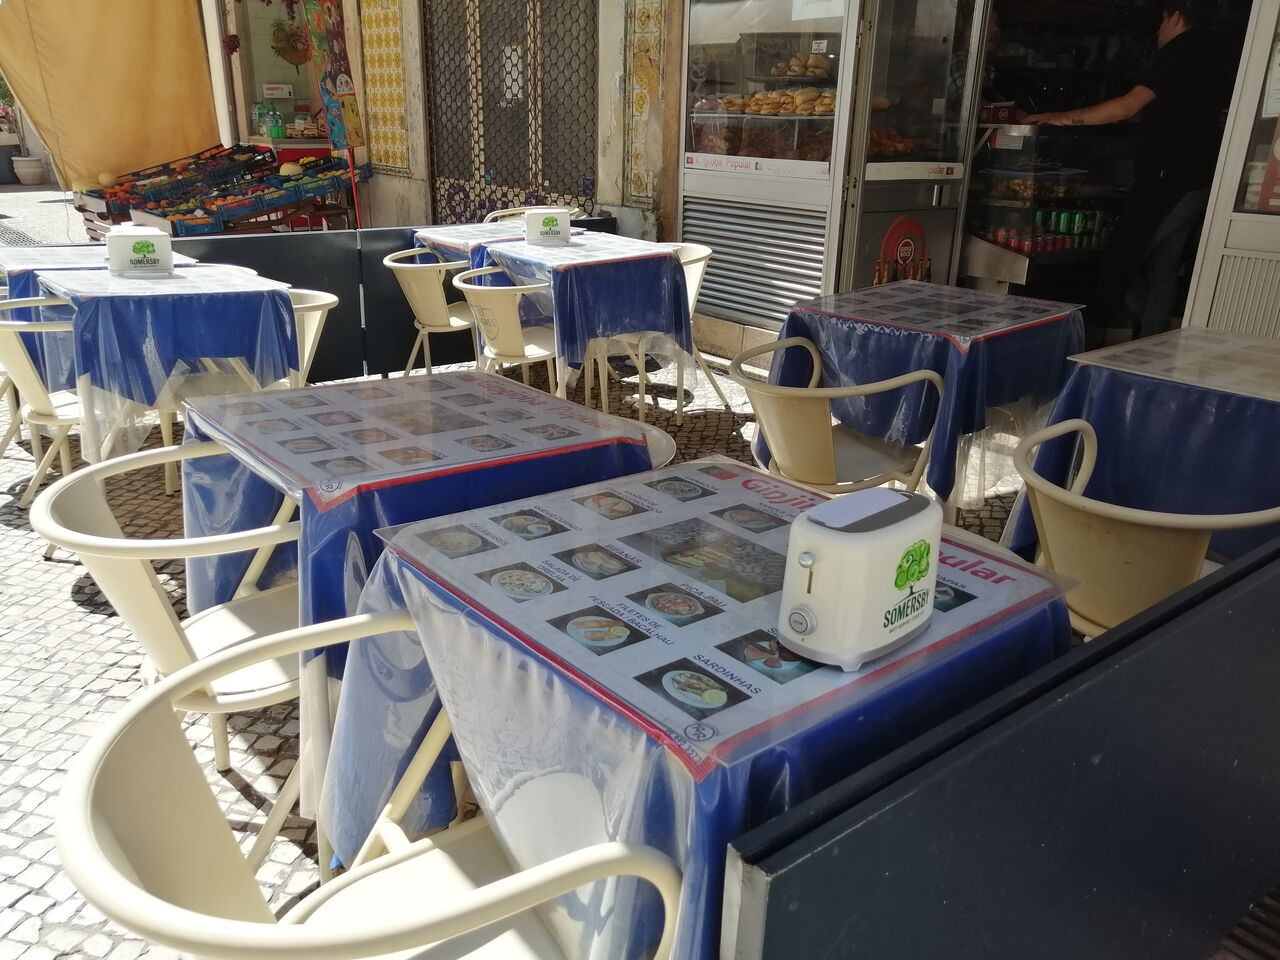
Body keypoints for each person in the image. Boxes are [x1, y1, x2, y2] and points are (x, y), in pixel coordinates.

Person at [1026, 0, 1227, 340]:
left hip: (1167, 180)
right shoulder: (1212, 54)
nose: (1158, 30)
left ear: (1175, 16)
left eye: (1161, 21)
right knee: (1162, 267)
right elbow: (1164, 113)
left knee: (1120, 262)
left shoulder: (1179, 51)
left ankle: (1112, 342)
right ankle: (1152, 346)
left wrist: (1061, 117)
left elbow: (1128, 106)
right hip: (1194, 181)